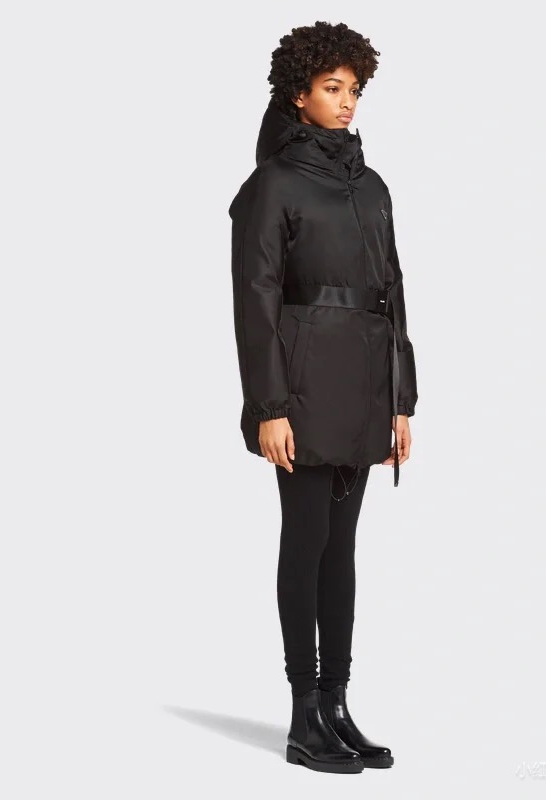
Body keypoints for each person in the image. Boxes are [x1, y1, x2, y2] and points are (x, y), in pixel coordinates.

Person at [228, 21, 418, 774]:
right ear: (297, 93)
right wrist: (269, 406)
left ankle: (337, 705)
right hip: (303, 390)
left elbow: (393, 294)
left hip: (365, 386)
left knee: (343, 550)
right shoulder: (272, 185)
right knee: (305, 542)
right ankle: (304, 713)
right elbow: (256, 300)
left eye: (355, 89)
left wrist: (402, 400)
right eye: (332, 88)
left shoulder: (372, 187)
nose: (347, 102)